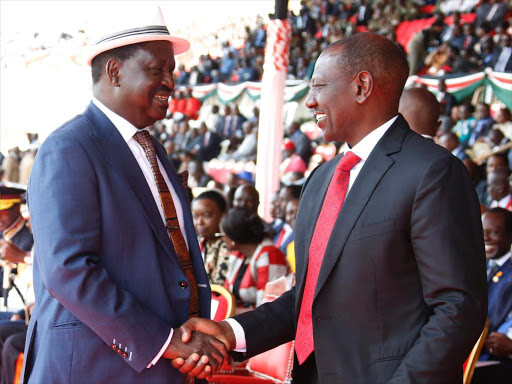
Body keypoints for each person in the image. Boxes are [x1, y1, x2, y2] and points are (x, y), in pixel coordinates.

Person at [175, 33, 487, 383]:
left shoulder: (432, 172)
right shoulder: (321, 178)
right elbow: (309, 299)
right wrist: (230, 332)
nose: (309, 102)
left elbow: (457, 308)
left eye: (319, 87)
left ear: (362, 86)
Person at [22, 5, 227, 383]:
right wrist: (166, 342)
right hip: (94, 370)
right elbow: (68, 270)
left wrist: (191, 336)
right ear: (114, 71)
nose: (170, 82)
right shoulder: (69, 148)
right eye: (157, 69)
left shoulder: (154, 152)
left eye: (172, 71)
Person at [220, 208, 290, 310]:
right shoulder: (238, 254)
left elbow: (267, 309)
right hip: (238, 317)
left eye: (222, 235)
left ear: (233, 239)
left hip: (260, 322)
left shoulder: (270, 255)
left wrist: (230, 313)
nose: (222, 239)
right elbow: (226, 293)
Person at [473, 208, 512, 383]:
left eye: (494, 232)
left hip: (497, 360)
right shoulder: (476, 266)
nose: (485, 237)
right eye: (482, 231)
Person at [191, 190, 230, 286]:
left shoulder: (230, 246)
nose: (199, 222)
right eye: (195, 217)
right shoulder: (197, 242)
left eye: (206, 215)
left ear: (223, 216)